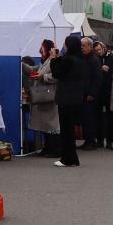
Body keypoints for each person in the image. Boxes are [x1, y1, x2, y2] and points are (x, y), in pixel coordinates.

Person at [50, 36, 88, 167]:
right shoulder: (81, 59)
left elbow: (56, 73)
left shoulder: (68, 59)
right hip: (76, 97)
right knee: (70, 129)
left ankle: (67, 158)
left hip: (66, 97)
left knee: (66, 130)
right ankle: (72, 158)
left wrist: (53, 59)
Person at [24, 42, 61, 157]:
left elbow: (56, 75)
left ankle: (55, 149)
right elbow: (33, 70)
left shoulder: (54, 60)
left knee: (51, 125)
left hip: (49, 96)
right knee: (45, 125)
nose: (40, 50)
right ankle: (48, 148)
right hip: (44, 96)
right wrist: (21, 64)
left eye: (42, 48)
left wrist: (43, 77)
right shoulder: (45, 61)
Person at [94, 40, 113, 149]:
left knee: (110, 117)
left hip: (109, 91)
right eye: (96, 50)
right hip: (98, 91)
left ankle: (109, 140)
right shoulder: (95, 59)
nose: (98, 52)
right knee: (98, 117)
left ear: (104, 48)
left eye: (99, 49)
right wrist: (100, 68)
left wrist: (109, 71)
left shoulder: (112, 58)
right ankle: (99, 140)